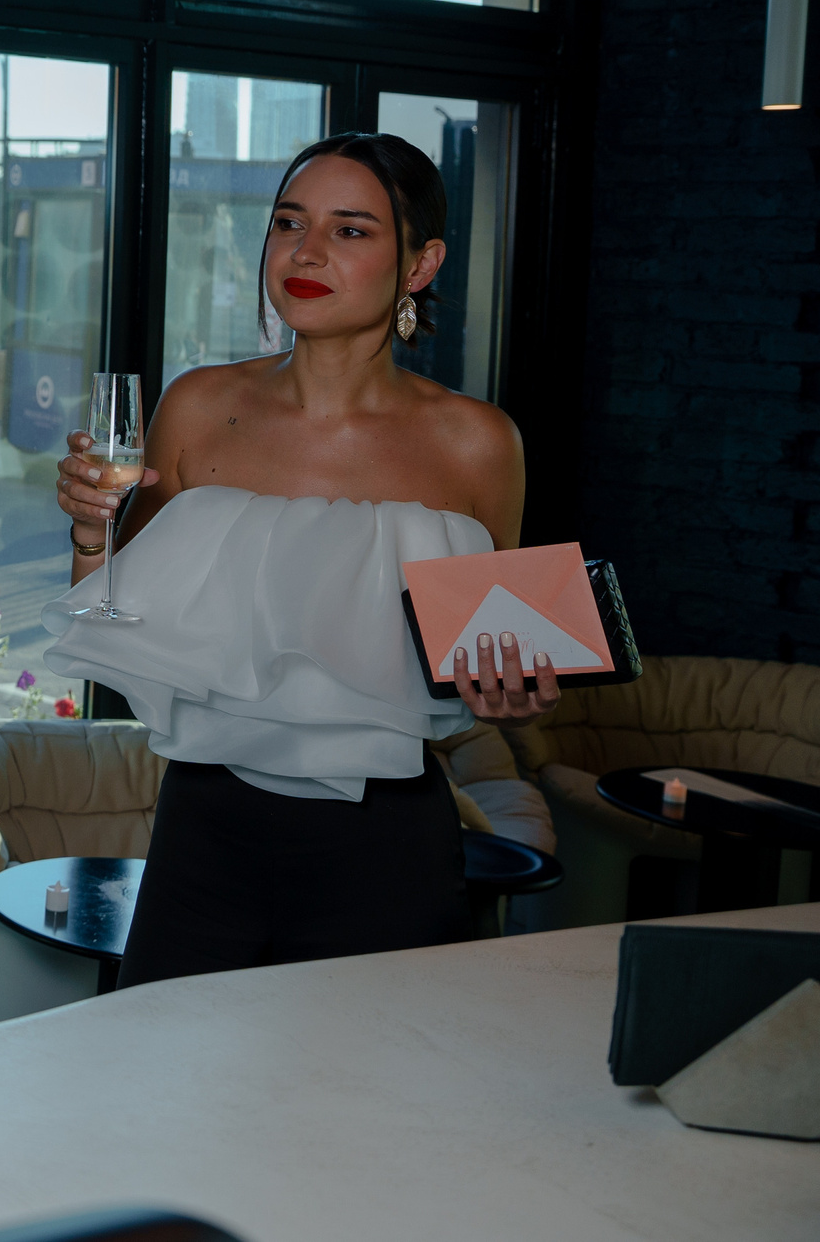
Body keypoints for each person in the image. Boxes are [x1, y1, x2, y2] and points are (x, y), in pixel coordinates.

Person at [45, 132, 560, 987]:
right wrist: (90, 533)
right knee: (163, 1103)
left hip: (391, 853)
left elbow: (491, 669)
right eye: (290, 222)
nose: (306, 250)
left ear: (421, 265)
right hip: (202, 839)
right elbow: (120, 626)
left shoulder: (478, 444)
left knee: (361, 1114)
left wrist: (515, 697)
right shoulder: (199, 407)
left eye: (351, 230)